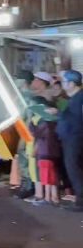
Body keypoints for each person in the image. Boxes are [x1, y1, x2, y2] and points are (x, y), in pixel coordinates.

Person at [55, 70, 83, 212]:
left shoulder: (79, 98)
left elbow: (76, 118)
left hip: (75, 138)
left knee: (74, 168)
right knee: (74, 168)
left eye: (64, 82)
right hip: (69, 137)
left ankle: (81, 201)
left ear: (72, 83)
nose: (63, 84)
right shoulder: (71, 99)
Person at [27, 96, 62, 206]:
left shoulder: (44, 121)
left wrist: (31, 125)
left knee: (46, 176)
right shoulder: (55, 120)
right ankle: (54, 197)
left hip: (45, 151)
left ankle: (47, 198)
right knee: (53, 175)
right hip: (54, 151)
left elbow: (37, 135)